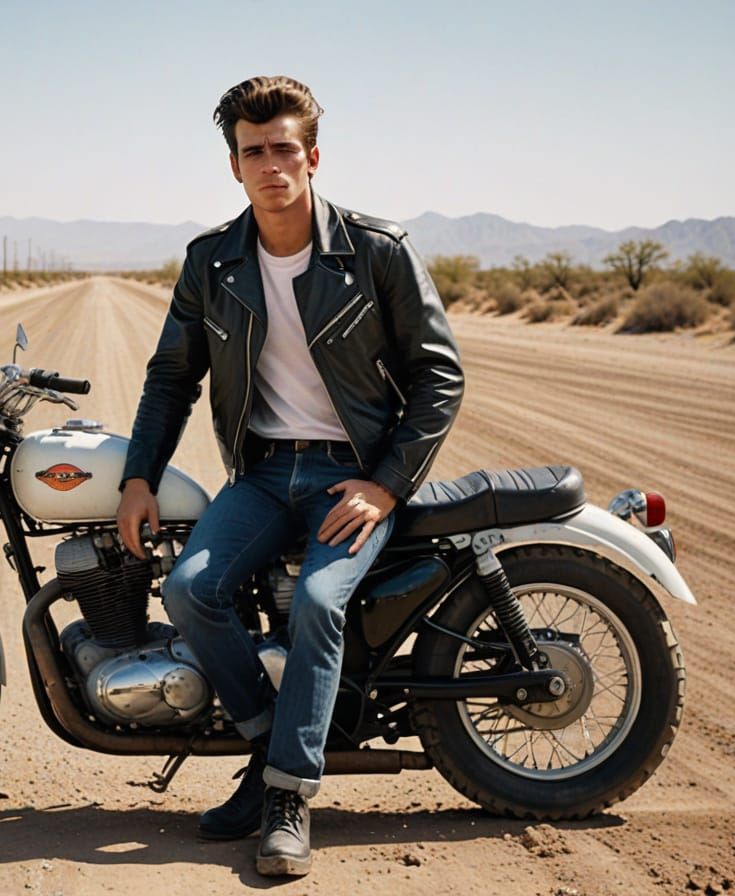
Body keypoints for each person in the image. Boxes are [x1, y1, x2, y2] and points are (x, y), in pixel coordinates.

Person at [116, 75, 464, 877]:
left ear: (312, 155)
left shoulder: (379, 251)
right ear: (234, 167)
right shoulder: (213, 261)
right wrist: (141, 476)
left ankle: (286, 797)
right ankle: (267, 745)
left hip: (355, 475)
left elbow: (439, 375)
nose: (270, 164)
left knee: (316, 601)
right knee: (187, 591)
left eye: (283, 148)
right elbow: (172, 376)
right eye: (252, 151)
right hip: (267, 472)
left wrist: (385, 485)